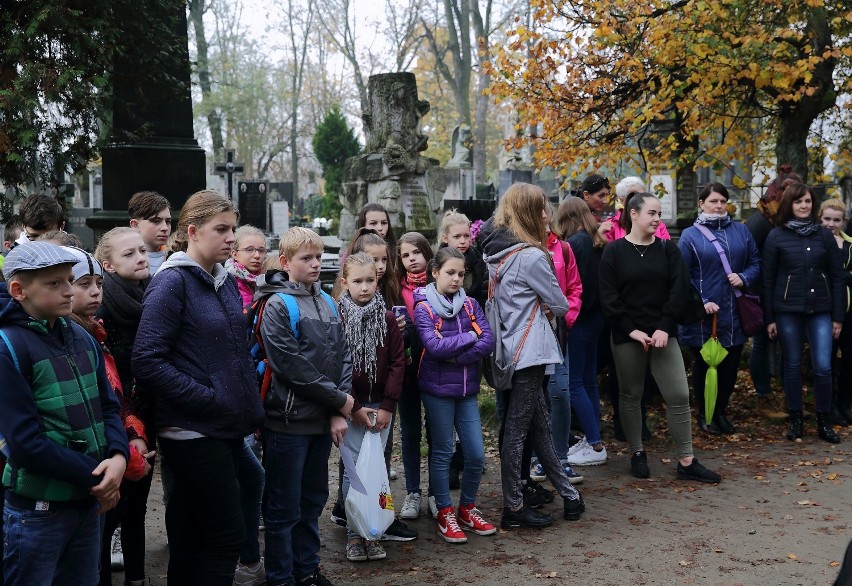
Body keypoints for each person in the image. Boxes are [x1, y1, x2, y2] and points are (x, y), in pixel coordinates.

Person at [133, 190, 265, 585]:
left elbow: (231, 351)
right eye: (221, 229)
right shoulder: (171, 283)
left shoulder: (222, 280)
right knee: (226, 534)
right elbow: (147, 359)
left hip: (221, 423)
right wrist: (208, 397)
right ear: (192, 231)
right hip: (191, 428)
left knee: (190, 531)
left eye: (233, 229)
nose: (231, 238)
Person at [0, 241, 129, 585]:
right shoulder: (8, 346)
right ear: (18, 290)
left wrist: (118, 456)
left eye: (69, 280)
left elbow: (108, 405)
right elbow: (25, 444)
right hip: (38, 510)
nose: (69, 291)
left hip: (87, 505)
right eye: (54, 283)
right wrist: (101, 478)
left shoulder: (81, 336)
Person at [481, 182, 585, 530]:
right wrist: (542, 303)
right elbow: (559, 303)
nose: (546, 215)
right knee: (517, 430)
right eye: (541, 209)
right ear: (527, 212)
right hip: (531, 352)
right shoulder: (530, 256)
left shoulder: (493, 254)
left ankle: (569, 494)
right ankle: (513, 506)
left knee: (539, 425)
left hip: (508, 351)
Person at [599, 191, 721, 482]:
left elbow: (679, 291)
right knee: (631, 394)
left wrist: (665, 327)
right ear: (634, 214)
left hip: (664, 333)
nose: (657, 218)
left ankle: (687, 460)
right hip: (628, 334)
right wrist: (631, 330)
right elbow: (609, 297)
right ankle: (637, 452)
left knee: (678, 394)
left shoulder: (668, 250)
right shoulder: (614, 252)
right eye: (652, 213)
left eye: (659, 214)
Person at [256, 226, 352, 586]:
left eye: (318, 257)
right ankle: (281, 577)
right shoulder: (278, 304)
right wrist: (340, 400)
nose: (315, 265)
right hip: (287, 421)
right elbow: (291, 366)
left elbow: (341, 355)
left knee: (312, 500)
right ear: (285, 262)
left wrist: (336, 409)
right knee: (283, 507)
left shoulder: (326, 300)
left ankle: (307, 569)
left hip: (320, 421)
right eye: (306, 259)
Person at [58, 245, 155, 586]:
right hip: (81, 470)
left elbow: (114, 399)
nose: (95, 291)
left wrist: (132, 436)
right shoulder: (70, 339)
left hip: (109, 460)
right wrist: (123, 454)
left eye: (98, 282)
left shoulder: (91, 334)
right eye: (84, 283)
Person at [414, 248, 496, 543]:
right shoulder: (424, 307)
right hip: (437, 391)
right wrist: (470, 337)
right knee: (443, 452)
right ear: (434, 272)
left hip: (466, 390)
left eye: (461, 274)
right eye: (450, 273)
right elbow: (434, 348)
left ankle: (467, 507)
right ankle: (445, 511)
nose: (457, 279)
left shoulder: (471, 304)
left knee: (475, 454)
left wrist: (458, 355)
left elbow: (487, 340)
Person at [762, 181, 845, 443]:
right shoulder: (776, 236)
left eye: (808, 201)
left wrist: (838, 317)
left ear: (813, 204)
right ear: (790, 204)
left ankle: (823, 420)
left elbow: (837, 276)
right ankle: (796, 419)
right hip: (787, 310)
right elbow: (767, 279)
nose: (804, 206)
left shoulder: (823, 236)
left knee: (822, 367)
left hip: (821, 309)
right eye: (799, 201)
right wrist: (770, 318)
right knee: (792, 365)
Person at [336, 252, 405, 561]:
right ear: (344, 283)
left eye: (370, 281)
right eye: (357, 281)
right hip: (352, 406)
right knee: (354, 471)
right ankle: (355, 532)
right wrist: (354, 407)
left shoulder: (387, 319)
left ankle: (374, 529)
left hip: (382, 406)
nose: (364, 287)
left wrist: (388, 405)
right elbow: (338, 365)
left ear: (378, 281)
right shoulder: (337, 318)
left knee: (377, 469)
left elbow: (397, 363)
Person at [678, 183, 761, 435]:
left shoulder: (742, 231)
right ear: (701, 203)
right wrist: (701, 302)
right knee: (705, 365)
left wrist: (744, 277)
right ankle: (706, 414)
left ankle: (721, 411)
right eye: (713, 201)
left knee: (730, 365)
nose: (719, 206)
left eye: (723, 201)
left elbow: (756, 262)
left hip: (734, 311)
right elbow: (682, 275)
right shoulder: (689, 236)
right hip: (704, 314)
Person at [94, 226, 152, 576]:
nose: (141, 257)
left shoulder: (153, 293)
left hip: (146, 412)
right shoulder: (100, 305)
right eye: (129, 254)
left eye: (142, 251)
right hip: (116, 418)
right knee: (110, 514)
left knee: (138, 510)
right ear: (108, 266)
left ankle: (136, 575)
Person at [556, 197, 609, 467]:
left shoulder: (574, 244)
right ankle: (593, 437)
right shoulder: (596, 241)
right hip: (596, 318)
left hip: (579, 320)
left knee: (574, 383)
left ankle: (594, 442)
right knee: (589, 381)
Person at [540, 203, 590, 472]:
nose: (540, 216)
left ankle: (559, 458)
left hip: (557, 333)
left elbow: (574, 288)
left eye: (543, 210)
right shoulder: (519, 248)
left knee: (559, 393)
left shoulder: (564, 248)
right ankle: (538, 459)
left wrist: (565, 317)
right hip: (529, 336)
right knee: (536, 399)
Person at [746, 164, 802, 398]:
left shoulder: (791, 218)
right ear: (777, 191)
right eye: (787, 190)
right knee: (761, 341)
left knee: (786, 341)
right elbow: (748, 255)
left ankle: (782, 388)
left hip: (788, 290)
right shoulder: (762, 221)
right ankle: (763, 391)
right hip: (763, 290)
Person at [396, 232, 435, 521]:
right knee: (409, 431)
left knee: (436, 431)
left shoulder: (439, 284)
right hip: (406, 370)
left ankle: (436, 492)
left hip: (436, 367)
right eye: (406, 255)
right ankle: (412, 490)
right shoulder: (397, 290)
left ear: (427, 253)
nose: (412, 259)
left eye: (416, 253)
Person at [819, 199, 852, 426]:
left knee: (849, 361)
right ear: (820, 218)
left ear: (843, 221)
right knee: (826, 361)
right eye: (827, 219)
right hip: (825, 310)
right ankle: (827, 407)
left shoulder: (849, 243)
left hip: (850, 312)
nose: (831, 224)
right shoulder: (815, 242)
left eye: (836, 220)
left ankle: (843, 405)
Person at [603, 177, 672, 242]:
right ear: (622, 200)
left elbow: (667, 251)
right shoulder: (611, 227)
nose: (642, 199)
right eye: (635, 196)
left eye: (644, 195)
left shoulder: (658, 225)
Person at [128, 191, 172, 275]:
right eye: (156, 221)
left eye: (168, 222)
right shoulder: (120, 261)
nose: (165, 228)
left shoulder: (176, 258)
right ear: (135, 225)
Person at [226, 225, 268, 306]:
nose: (257, 255)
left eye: (261, 250)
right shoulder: (227, 282)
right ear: (235, 254)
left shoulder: (269, 280)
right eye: (249, 250)